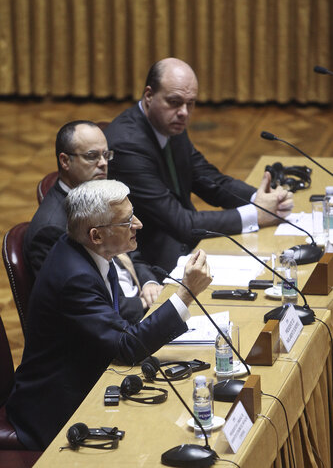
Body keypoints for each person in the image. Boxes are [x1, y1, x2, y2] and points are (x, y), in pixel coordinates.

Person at [6, 180, 212, 450]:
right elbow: (127, 346)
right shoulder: (74, 278)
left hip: (95, 374)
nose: (137, 224)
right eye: (127, 222)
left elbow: (119, 334)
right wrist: (186, 294)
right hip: (59, 406)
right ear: (96, 235)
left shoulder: (88, 251)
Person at [104, 58, 294, 272]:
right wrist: (256, 214)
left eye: (190, 103)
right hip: (155, 260)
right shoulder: (128, 145)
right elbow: (180, 222)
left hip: (189, 244)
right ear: (149, 96)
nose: (184, 112)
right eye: (174, 102)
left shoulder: (170, 124)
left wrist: (260, 199)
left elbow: (209, 179)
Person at [23, 120, 162, 311]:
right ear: (65, 161)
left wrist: (148, 283)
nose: (103, 163)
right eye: (92, 156)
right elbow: (82, 303)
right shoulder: (51, 229)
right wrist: (143, 305)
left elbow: (129, 250)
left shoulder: (99, 194)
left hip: (137, 298)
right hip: (118, 321)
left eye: (106, 155)